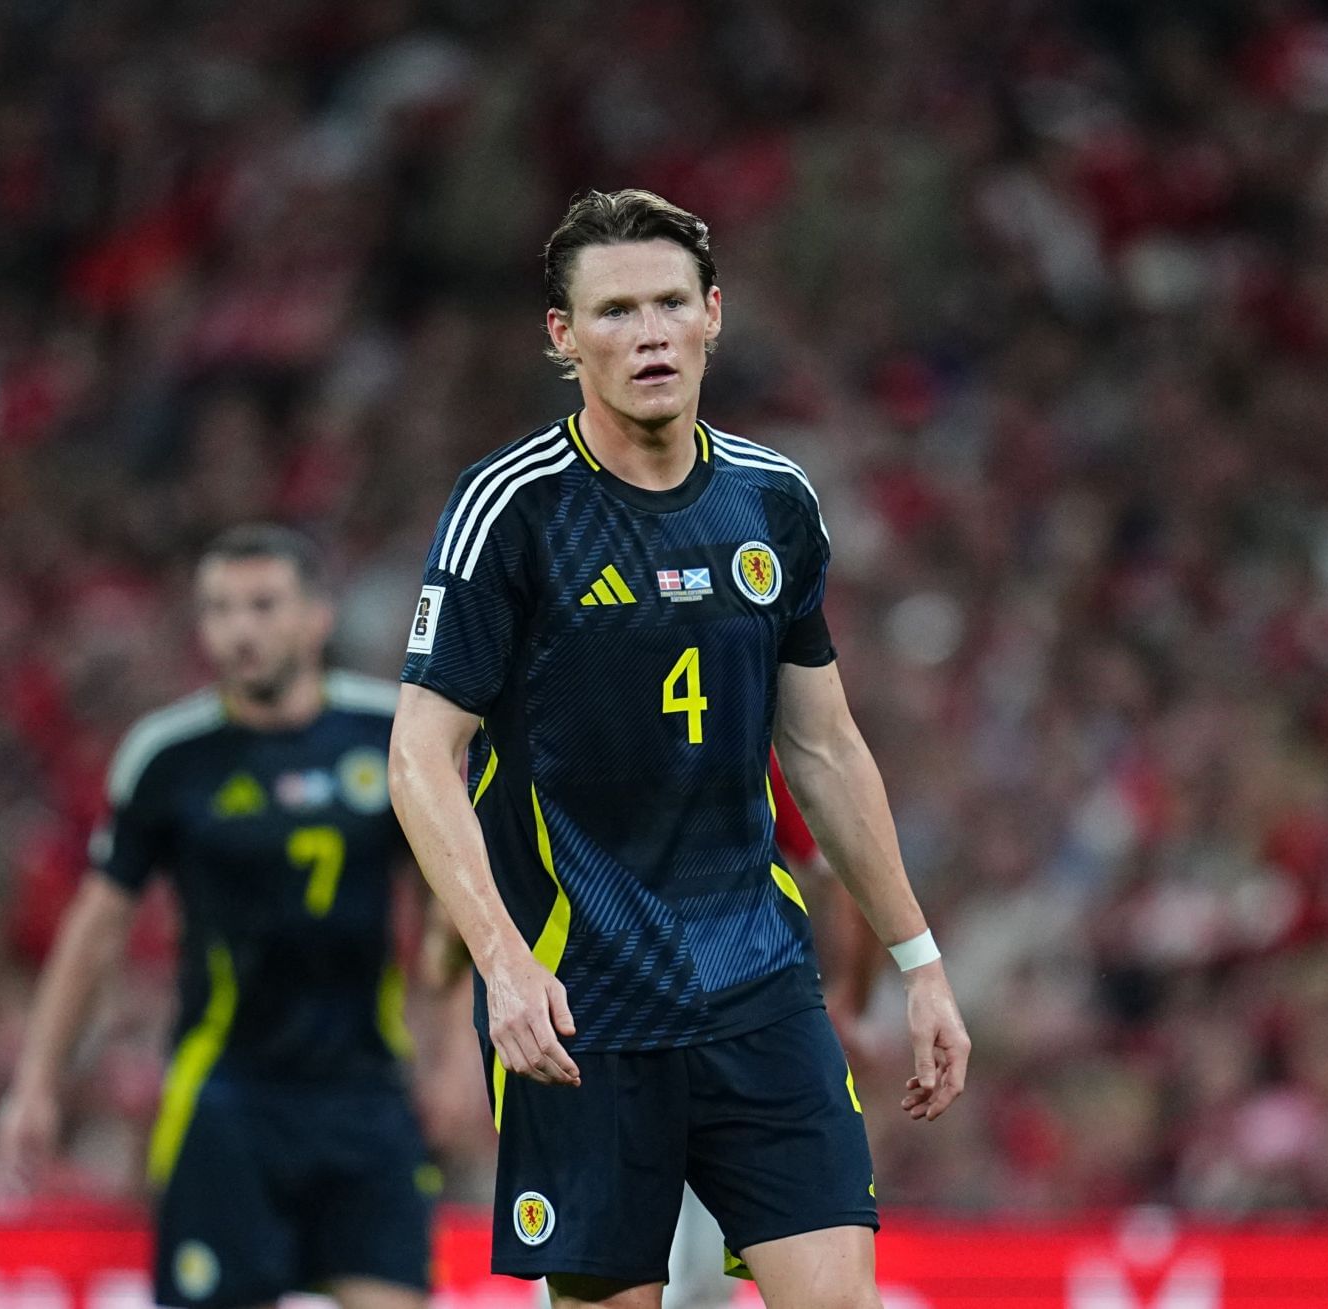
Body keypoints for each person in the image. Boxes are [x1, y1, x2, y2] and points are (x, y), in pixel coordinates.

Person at [388, 189, 971, 1309]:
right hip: (583, 1002)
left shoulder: (773, 500)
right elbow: (421, 755)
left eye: (668, 303)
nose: (648, 333)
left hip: (759, 983)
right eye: (614, 312)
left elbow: (823, 746)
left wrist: (921, 961)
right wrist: (504, 961)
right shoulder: (510, 509)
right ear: (563, 336)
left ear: (713, 314)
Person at [0, 524, 436, 1309]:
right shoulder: (171, 757)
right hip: (227, 1099)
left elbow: (450, 893)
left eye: (263, 605)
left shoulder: (390, 734)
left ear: (318, 617)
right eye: (221, 609)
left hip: (366, 1094)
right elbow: (96, 930)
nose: (240, 630)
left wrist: (460, 1043)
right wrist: (37, 1081)